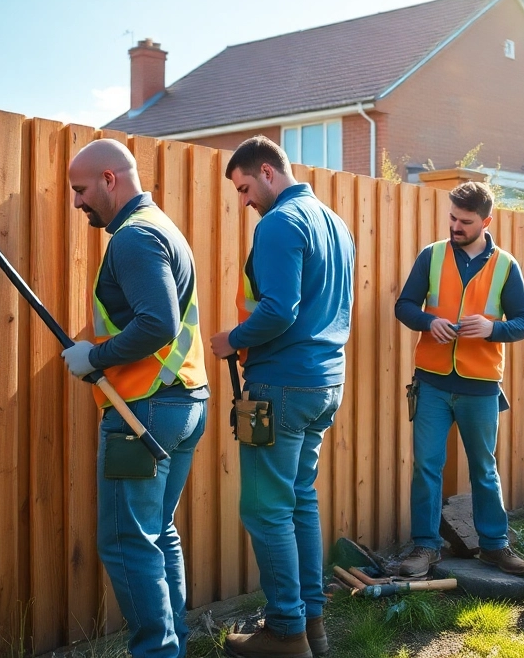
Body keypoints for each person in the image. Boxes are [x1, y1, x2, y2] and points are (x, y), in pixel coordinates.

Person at [60, 138, 209, 658]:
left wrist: (94, 359)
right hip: (184, 400)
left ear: (109, 180)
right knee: (156, 532)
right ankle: (174, 646)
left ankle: (158, 652)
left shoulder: (133, 238)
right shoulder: (163, 227)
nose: (76, 201)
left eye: (80, 189)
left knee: (126, 543)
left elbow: (158, 323)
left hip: (143, 409)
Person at [209, 136, 355, 658]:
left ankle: (286, 632)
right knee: (299, 501)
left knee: (265, 510)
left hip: (282, 386)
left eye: (245, 188)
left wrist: (231, 340)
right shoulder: (334, 223)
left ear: (268, 172)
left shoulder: (279, 223)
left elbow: (277, 310)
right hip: (324, 385)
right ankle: (312, 625)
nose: (245, 201)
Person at [393, 181, 524, 578]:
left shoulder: (506, 266)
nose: (455, 226)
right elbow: (404, 306)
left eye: (465, 221)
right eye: (452, 217)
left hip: (481, 386)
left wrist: (492, 329)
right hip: (432, 383)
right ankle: (425, 547)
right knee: (427, 467)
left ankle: (494, 547)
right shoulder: (431, 256)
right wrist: (428, 321)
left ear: (486, 221)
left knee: (483, 469)